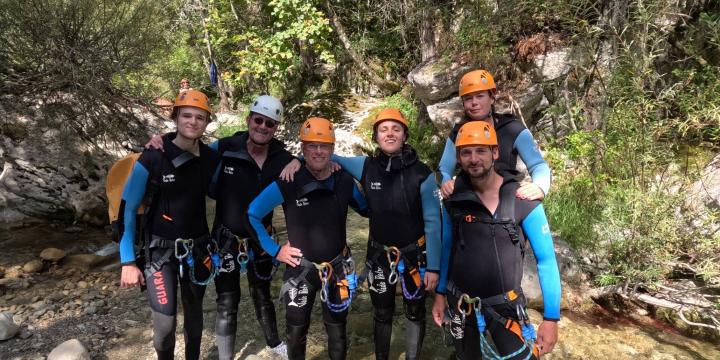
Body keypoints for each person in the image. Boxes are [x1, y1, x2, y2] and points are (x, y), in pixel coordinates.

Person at [280, 108, 441, 360]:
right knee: (382, 312)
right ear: (376, 136)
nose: (390, 134)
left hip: (414, 256)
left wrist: (434, 267)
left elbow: (433, 223)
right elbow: (322, 155)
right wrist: (297, 160)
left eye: (396, 129)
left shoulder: (423, 174)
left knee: (415, 311)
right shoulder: (365, 166)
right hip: (379, 255)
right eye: (383, 129)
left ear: (405, 135)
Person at [145, 95, 292, 359]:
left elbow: (317, 164)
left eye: (269, 123)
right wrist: (162, 141)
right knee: (227, 301)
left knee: (262, 295)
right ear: (248, 120)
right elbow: (188, 146)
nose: (262, 127)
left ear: (276, 128)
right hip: (225, 239)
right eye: (258, 120)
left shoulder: (283, 158)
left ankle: (273, 343)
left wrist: (301, 161)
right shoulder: (224, 148)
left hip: (262, 240)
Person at [432, 121, 561, 359]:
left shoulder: (523, 199)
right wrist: (440, 295)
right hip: (461, 303)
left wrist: (551, 319)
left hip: (507, 308)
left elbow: (546, 261)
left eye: (481, 150)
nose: (473, 158)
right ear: (458, 158)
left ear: (495, 153)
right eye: (466, 152)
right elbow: (447, 248)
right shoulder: (453, 201)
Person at [246, 117, 367, 360]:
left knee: (337, 331)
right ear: (303, 148)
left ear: (333, 149)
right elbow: (253, 214)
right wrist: (275, 250)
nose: (319, 151)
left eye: (324, 146)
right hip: (300, 269)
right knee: (295, 331)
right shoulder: (290, 180)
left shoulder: (343, 180)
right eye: (312, 146)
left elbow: (367, 209)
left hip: (337, 267)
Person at [119, 89, 221, 360]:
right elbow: (127, 209)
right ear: (175, 117)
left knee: (195, 316)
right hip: (160, 253)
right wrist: (128, 262)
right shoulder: (153, 156)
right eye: (186, 115)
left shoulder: (211, 159)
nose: (193, 122)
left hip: (198, 249)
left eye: (200, 117)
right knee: (165, 325)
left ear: (207, 122)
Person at [438, 69, 551, 201]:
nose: (474, 102)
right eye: (468, 98)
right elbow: (443, 170)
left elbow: (537, 165)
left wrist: (539, 187)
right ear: (463, 103)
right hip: (470, 199)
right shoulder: (458, 133)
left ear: (492, 98)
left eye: (480, 96)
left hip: (505, 197)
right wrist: (445, 183)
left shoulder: (513, 129)